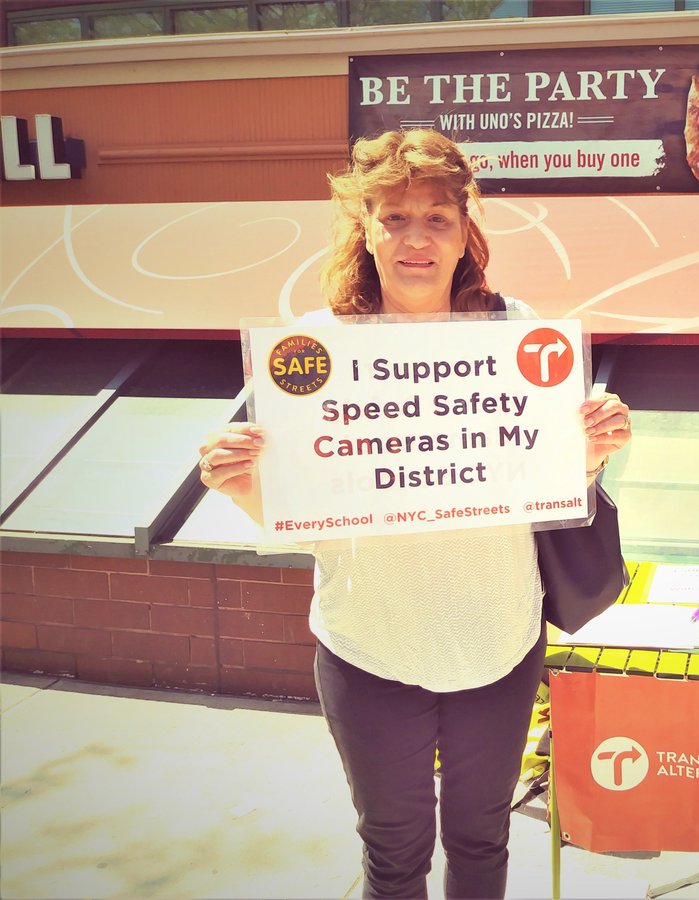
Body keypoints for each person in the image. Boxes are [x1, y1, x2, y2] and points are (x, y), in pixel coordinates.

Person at [196, 129, 632, 899]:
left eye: (437, 218)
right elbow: (300, 519)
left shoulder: (517, 333)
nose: (416, 239)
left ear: (465, 234)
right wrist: (240, 485)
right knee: (393, 857)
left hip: (497, 644)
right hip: (370, 649)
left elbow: (551, 480)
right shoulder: (314, 348)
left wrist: (591, 452)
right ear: (364, 231)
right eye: (394, 217)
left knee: (480, 842)